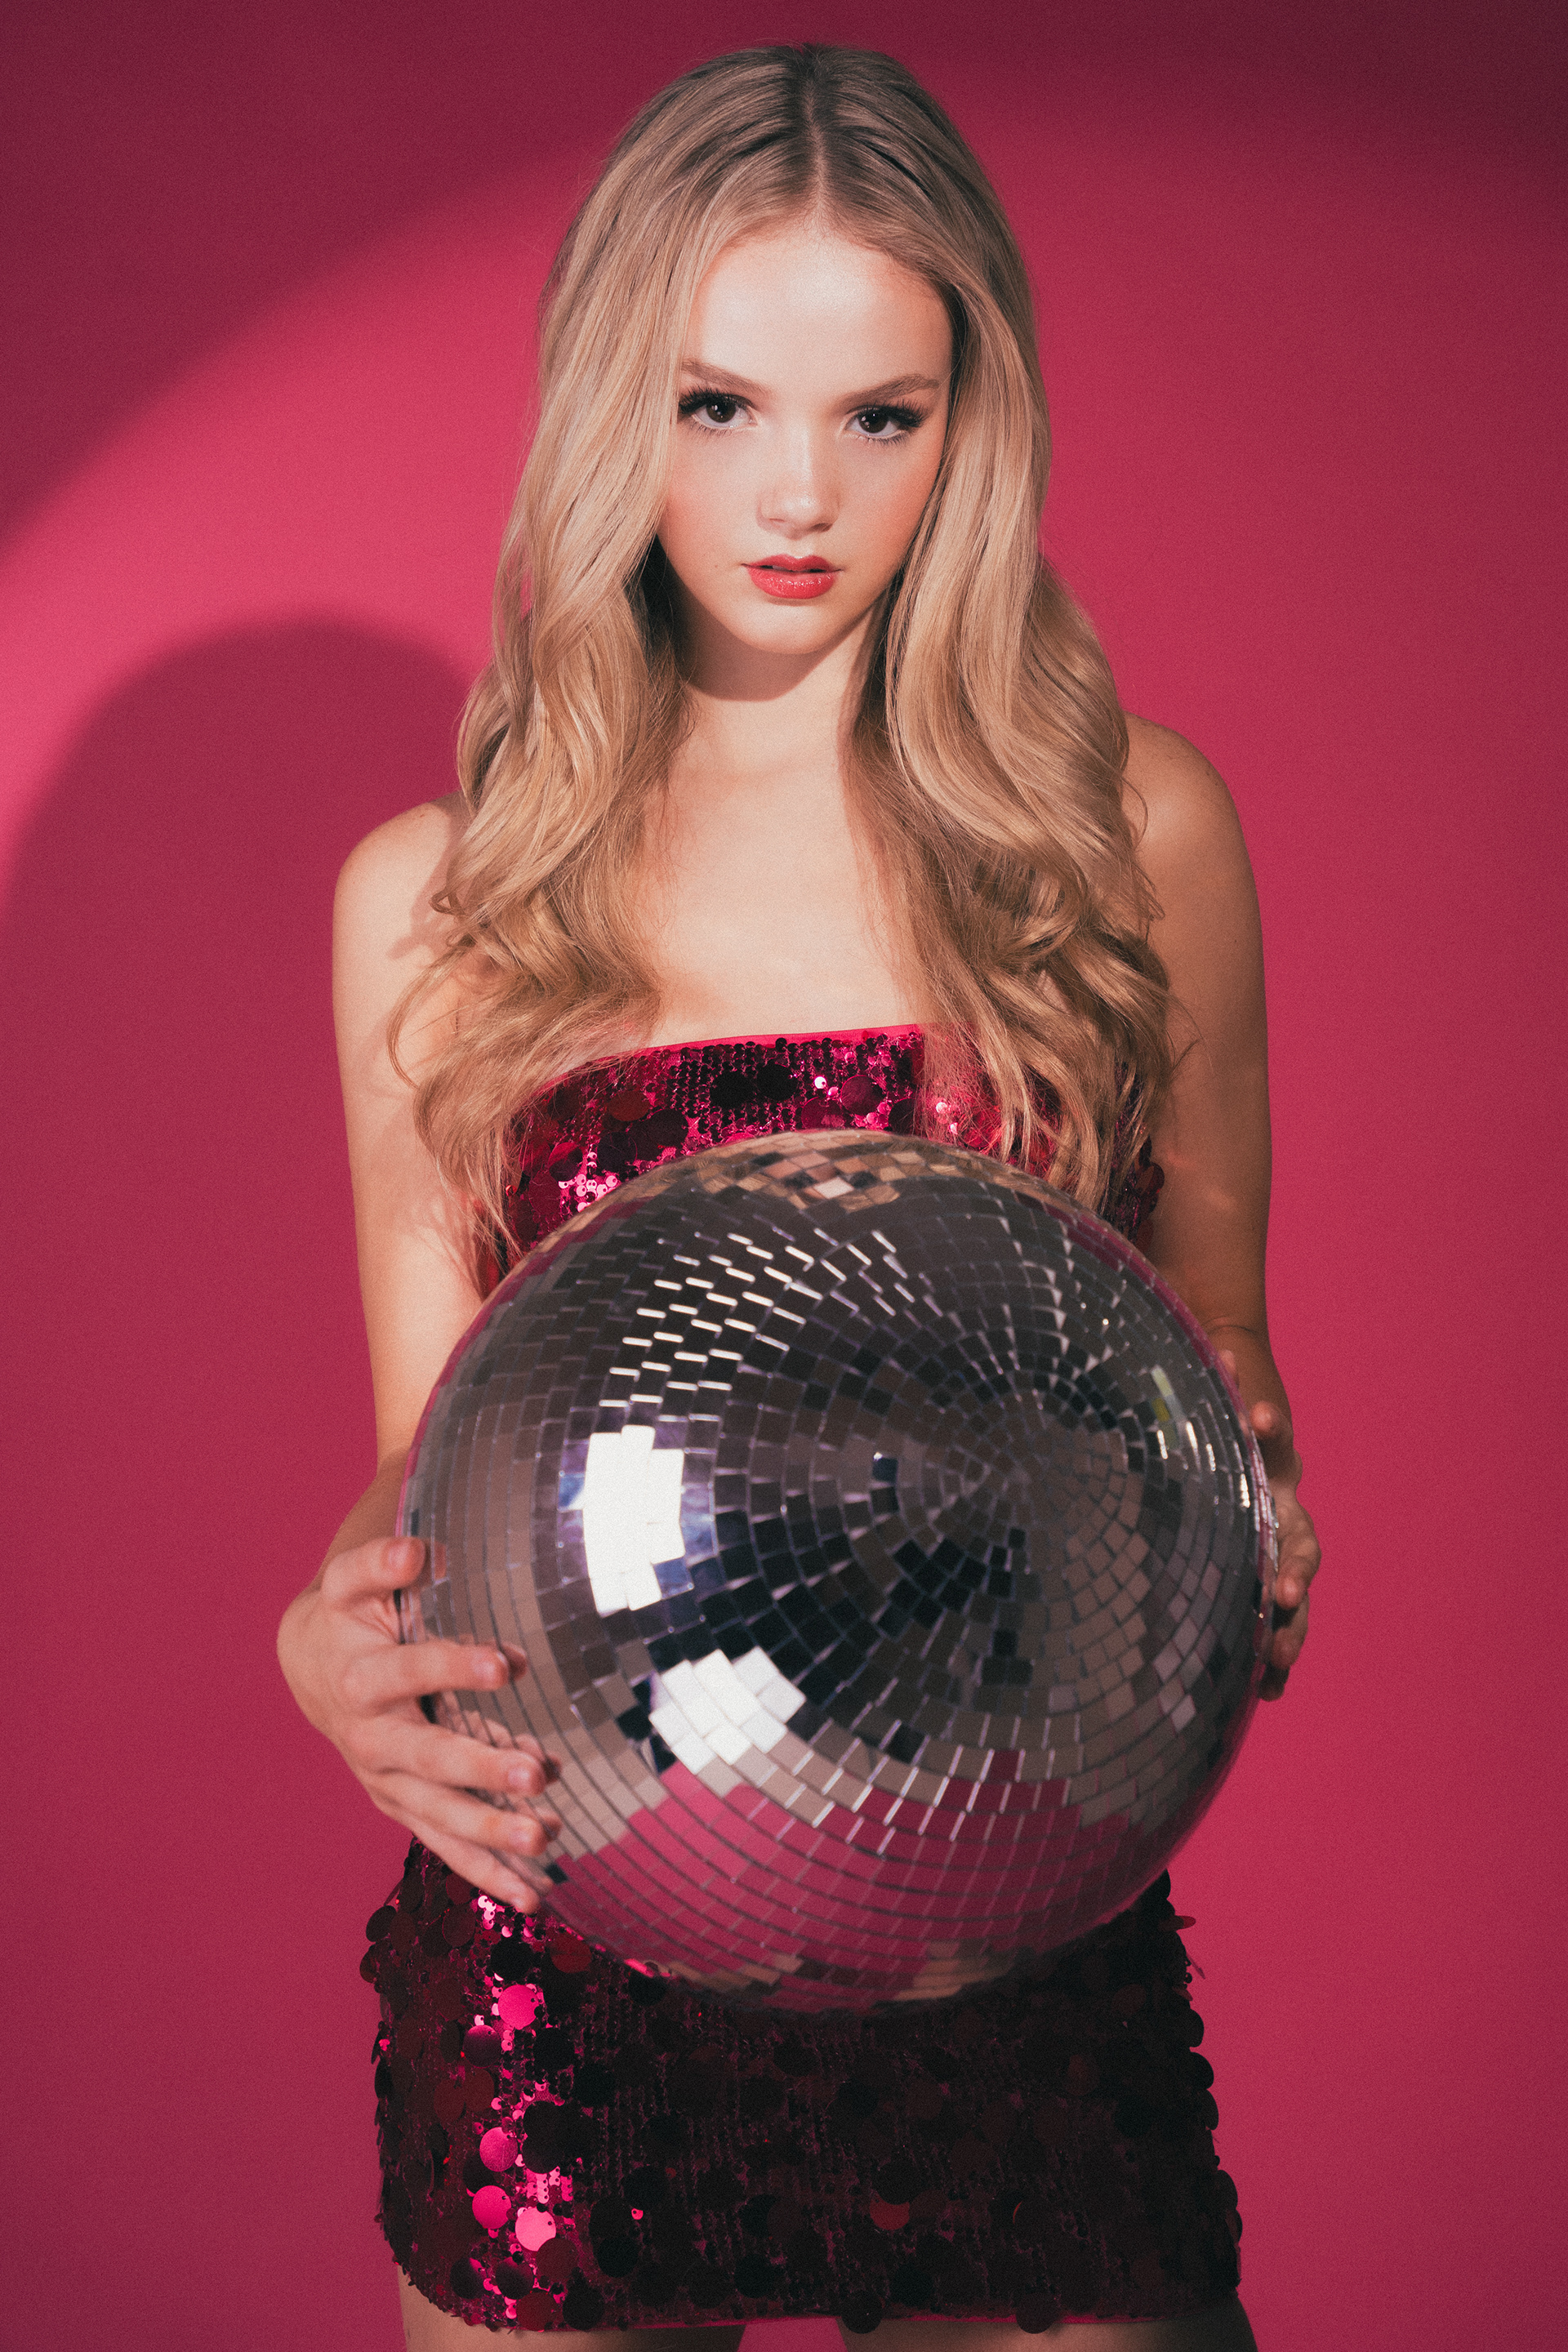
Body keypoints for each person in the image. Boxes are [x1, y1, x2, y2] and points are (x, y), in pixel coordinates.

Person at [278, 42, 1319, 2352]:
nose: (798, 494)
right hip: (576, 1910)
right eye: (719, 402)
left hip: (1008, 1888)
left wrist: (1253, 1515)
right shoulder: (439, 905)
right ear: (607, 405)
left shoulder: (1126, 835)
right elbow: (436, 1459)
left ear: (974, 426)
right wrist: (317, 1646)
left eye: (881, 416)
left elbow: (1223, 1359)